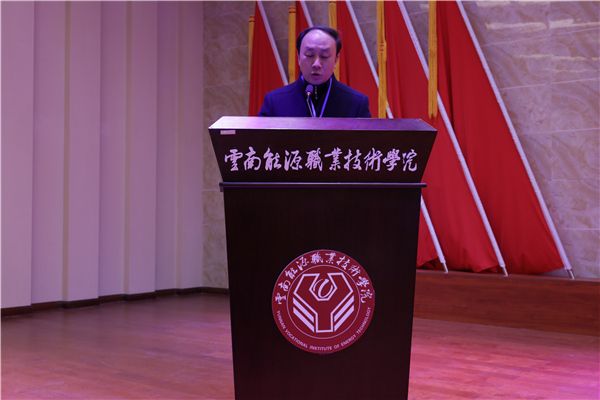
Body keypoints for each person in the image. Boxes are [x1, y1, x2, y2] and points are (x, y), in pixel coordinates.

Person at [258, 26, 371, 118]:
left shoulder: (356, 103)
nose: (316, 64)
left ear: (336, 60)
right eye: (309, 55)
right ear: (298, 57)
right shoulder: (275, 102)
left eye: (324, 56)